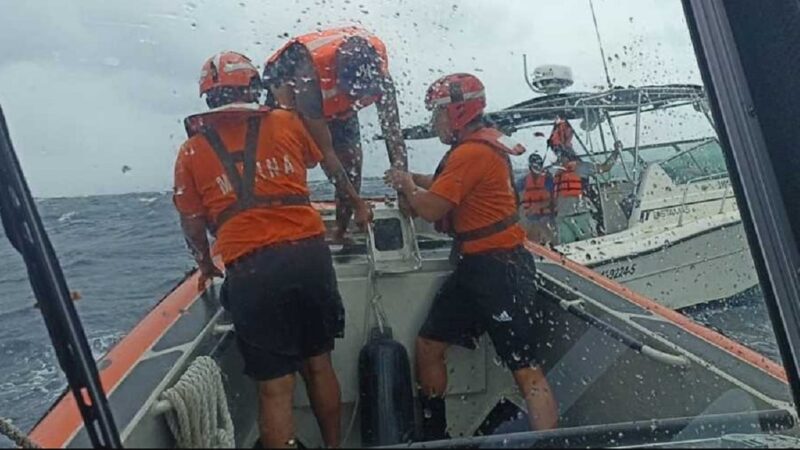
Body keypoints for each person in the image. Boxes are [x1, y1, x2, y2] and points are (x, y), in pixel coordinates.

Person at [173, 51, 371, 448]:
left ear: (208, 98)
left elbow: (193, 224)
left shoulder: (190, 152)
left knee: (276, 389)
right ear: (252, 87)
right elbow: (323, 161)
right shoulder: (287, 122)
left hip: (252, 270)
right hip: (309, 257)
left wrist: (204, 264)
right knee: (319, 364)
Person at [384, 73, 559, 440]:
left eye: (439, 113)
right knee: (428, 345)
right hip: (474, 269)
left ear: (460, 112)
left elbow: (431, 209)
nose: (435, 122)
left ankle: (549, 444)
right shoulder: (473, 151)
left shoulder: (471, 153)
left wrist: (406, 186)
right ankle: (436, 434)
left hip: (500, 272)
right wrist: (411, 176)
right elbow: (448, 185)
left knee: (525, 370)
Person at [263, 26, 408, 244]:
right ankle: (288, 232)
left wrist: (405, 190)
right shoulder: (308, 79)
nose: (356, 103)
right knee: (292, 161)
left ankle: (340, 231)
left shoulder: (380, 74)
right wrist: (359, 203)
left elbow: (393, 134)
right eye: (352, 96)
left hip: (330, 94)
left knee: (352, 164)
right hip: (288, 90)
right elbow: (326, 153)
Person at [548, 117, 618, 244]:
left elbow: (605, 168)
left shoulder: (580, 167)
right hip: (563, 217)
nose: (559, 158)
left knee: (589, 244)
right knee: (566, 246)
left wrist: (615, 153)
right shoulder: (556, 171)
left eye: (561, 155)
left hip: (580, 214)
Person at [517, 153, 556, 245]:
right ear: (530, 166)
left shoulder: (548, 180)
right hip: (530, 218)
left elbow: (554, 199)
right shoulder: (522, 182)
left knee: (552, 241)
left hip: (546, 217)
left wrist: (538, 206)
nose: (538, 167)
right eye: (535, 165)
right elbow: (515, 196)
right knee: (531, 241)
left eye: (540, 164)